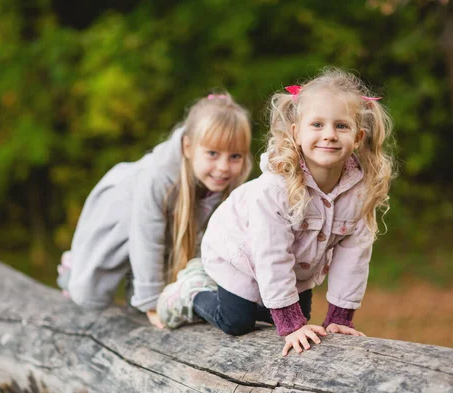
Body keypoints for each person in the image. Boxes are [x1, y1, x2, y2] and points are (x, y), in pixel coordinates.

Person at [157, 67, 395, 355]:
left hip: (294, 266)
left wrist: (339, 317)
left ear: (358, 137)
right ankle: (191, 292)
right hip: (239, 250)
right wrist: (290, 324)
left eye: (341, 126)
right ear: (296, 133)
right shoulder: (276, 188)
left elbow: (354, 255)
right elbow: (271, 252)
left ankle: (276, 308)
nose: (329, 135)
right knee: (238, 321)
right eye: (317, 125)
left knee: (293, 318)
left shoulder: (359, 193)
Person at [57, 93, 253, 328]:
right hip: (121, 211)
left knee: (146, 284)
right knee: (89, 293)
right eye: (213, 153)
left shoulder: (219, 182)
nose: (223, 167)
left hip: (158, 220)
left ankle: (135, 293)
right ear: (188, 147)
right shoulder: (157, 178)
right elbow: (147, 243)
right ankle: (73, 267)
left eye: (234, 156)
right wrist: (152, 305)